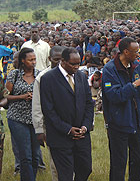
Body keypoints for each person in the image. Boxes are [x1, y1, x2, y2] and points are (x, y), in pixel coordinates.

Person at [102, 37, 140, 181]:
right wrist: (134, 84)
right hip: (118, 122)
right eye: (135, 51)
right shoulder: (110, 69)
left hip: (135, 119)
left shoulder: (137, 65)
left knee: (139, 159)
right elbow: (114, 96)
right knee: (119, 163)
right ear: (125, 52)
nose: (138, 54)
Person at [40, 48, 94, 181]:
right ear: (62, 62)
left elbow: (88, 103)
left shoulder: (81, 76)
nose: (76, 67)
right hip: (60, 137)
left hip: (82, 135)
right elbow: (48, 110)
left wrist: (85, 127)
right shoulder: (48, 78)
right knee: (65, 175)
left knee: (86, 168)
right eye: (73, 64)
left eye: (78, 64)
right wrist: (68, 129)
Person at [5, 48, 40, 181]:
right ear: (23, 61)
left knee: (35, 156)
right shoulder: (14, 75)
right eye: (30, 60)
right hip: (17, 118)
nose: (33, 62)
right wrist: (22, 96)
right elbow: (6, 96)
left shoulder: (39, 75)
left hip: (35, 119)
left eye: (34, 59)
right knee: (25, 156)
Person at [32, 46, 65, 181]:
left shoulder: (70, 73)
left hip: (70, 123)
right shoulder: (42, 77)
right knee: (56, 161)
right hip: (50, 124)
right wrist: (39, 129)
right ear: (49, 59)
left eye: (62, 60)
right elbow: (37, 105)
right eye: (56, 60)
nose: (59, 63)